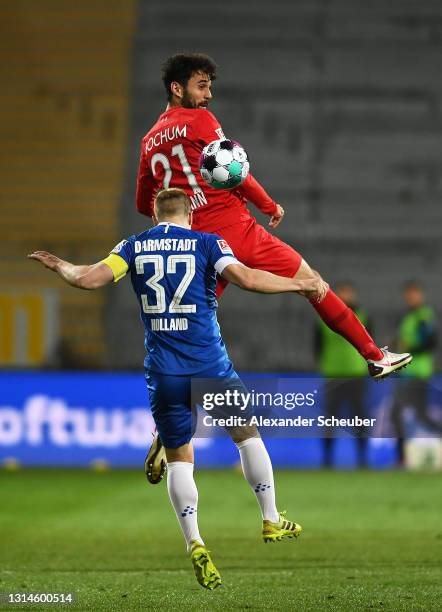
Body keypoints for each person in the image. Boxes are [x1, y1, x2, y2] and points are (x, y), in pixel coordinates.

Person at [28, 188, 327, 591]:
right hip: (210, 366)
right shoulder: (207, 242)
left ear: (154, 216)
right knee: (247, 437)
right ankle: (271, 518)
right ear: (192, 214)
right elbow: (248, 278)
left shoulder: (133, 246)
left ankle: (196, 543)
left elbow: (87, 278)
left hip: (164, 372)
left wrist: (60, 265)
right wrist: (299, 285)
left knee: (180, 458)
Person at [137, 52, 412, 481]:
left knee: (195, 336)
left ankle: (165, 426)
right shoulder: (201, 123)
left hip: (199, 245)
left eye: (209, 86)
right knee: (312, 282)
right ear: (178, 88)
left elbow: (143, 203)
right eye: (201, 86)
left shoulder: (150, 140)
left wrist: (180, 204)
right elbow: (235, 170)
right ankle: (374, 356)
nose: (208, 94)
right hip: (239, 231)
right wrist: (268, 203)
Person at [315, 283, 371, 468]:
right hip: (333, 375)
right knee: (329, 419)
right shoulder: (322, 317)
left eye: (348, 292)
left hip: (356, 375)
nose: (345, 295)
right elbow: (317, 347)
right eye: (342, 292)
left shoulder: (363, 316)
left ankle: (363, 460)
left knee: (359, 418)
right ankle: (327, 460)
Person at [390, 281, 440, 464]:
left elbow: (431, 343)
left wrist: (408, 347)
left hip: (418, 373)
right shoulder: (408, 317)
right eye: (408, 294)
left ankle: (402, 459)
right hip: (406, 372)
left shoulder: (423, 316)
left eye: (414, 294)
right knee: (421, 415)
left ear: (421, 295)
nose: (411, 297)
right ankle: (402, 458)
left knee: (396, 413)